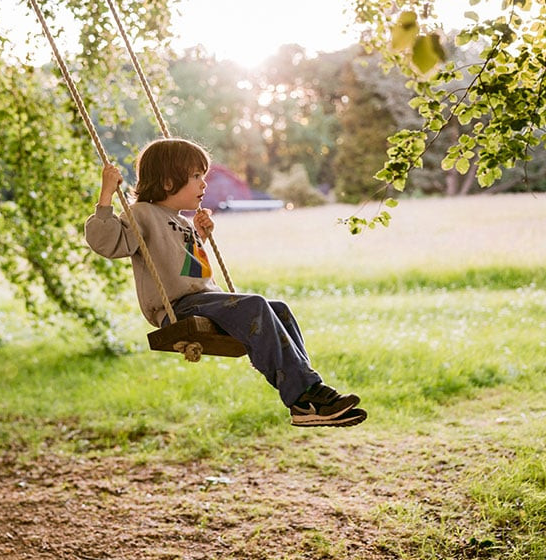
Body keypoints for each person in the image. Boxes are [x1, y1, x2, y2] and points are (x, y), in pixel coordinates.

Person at [84, 138, 365, 427]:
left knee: (278, 308)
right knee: (255, 304)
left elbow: (190, 271)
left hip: (202, 301)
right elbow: (108, 243)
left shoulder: (180, 220)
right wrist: (106, 194)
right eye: (196, 177)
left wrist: (199, 238)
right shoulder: (142, 213)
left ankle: (307, 396)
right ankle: (304, 394)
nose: (204, 185)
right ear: (168, 183)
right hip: (179, 308)